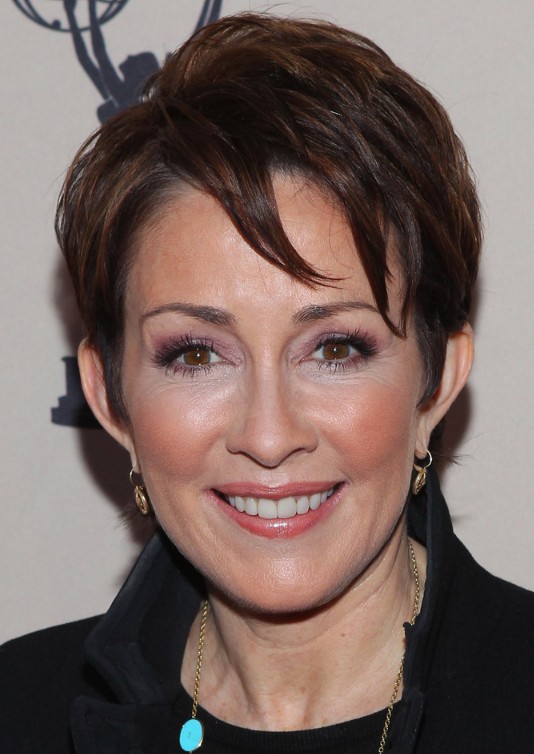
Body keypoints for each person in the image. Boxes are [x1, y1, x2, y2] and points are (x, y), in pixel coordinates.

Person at [2, 12, 534, 754]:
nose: (269, 435)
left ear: (437, 382)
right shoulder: (19, 710)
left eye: (336, 348)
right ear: (109, 397)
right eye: (196, 355)